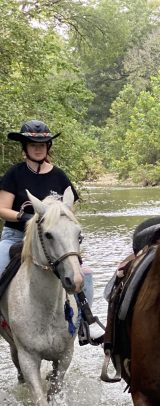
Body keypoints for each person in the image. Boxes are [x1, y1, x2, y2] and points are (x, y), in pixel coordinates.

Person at [0, 119, 104, 345]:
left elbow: (69, 215)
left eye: (43, 144)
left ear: (48, 147)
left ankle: (85, 322)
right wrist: (25, 216)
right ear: (25, 147)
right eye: (33, 144)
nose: (38, 148)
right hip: (16, 237)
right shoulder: (14, 174)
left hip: (55, 242)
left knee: (84, 274)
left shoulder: (60, 177)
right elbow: (2, 209)